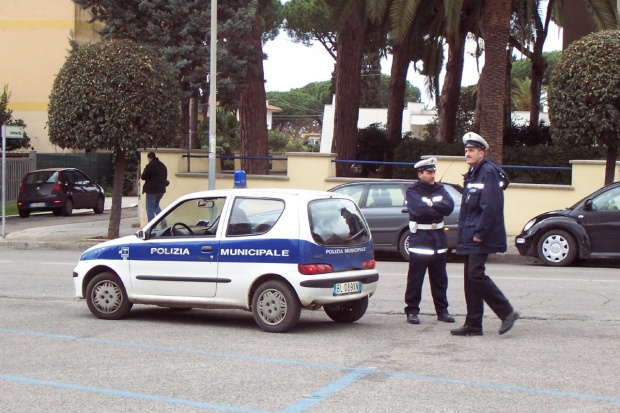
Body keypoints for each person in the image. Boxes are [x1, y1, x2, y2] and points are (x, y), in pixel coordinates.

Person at [450, 132, 519, 336]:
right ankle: (473, 323)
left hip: (480, 234)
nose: (467, 154)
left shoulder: (487, 172)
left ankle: (506, 312)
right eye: (466, 150)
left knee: (475, 275)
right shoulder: (473, 173)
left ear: (481, 153)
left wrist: (480, 233)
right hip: (470, 234)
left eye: (471, 150)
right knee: (470, 278)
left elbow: (490, 206)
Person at [404, 157, 455, 325]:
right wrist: (434, 208)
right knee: (415, 278)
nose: (433, 175)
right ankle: (412, 311)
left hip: (438, 239)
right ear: (420, 174)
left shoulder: (440, 189)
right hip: (420, 239)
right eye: (429, 172)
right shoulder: (413, 191)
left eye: (434, 172)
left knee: (440, 279)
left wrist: (431, 205)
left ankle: (442, 311)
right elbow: (419, 211)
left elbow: (449, 207)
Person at [141, 151, 168, 222]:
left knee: (150, 209)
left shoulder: (150, 166)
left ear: (149, 158)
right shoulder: (162, 165)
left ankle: (152, 227)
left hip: (151, 191)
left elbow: (143, 177)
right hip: (161, 190)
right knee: (156, 206)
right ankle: (163, 222)